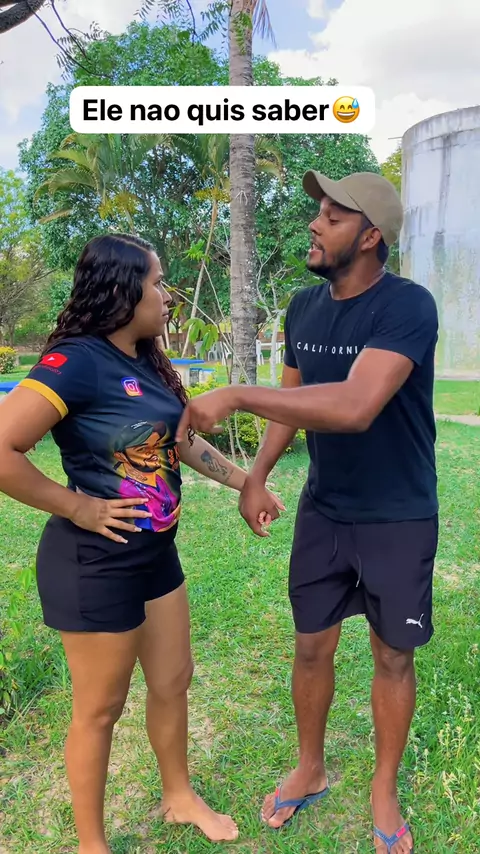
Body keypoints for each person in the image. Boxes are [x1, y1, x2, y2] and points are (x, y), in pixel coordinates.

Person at [176, 171, 439, 854]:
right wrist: (256, 477)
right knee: (311, 645)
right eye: (317, 212)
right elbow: (293, 403)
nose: (315, 225)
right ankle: (311, 767)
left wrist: (237, 394)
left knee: (393, 655)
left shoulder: (407, 306)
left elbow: (353, 406)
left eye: (332, 216)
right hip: (324, 509)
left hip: (398, 514)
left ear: (371, 236)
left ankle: (384, 787)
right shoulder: (302, 307)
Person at [0, 233, 283, 854]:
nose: (167, 294)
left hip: (155, 555)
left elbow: (181, 441)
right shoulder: (76, 361)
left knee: (174, 679)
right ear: (123, 290)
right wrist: (78, 505)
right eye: (157, 282)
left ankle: (178, 796)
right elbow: (3, 448)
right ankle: (91, 844)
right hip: (95, 562)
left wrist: (247, 483)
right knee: (100, 708)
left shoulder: (147, 359)